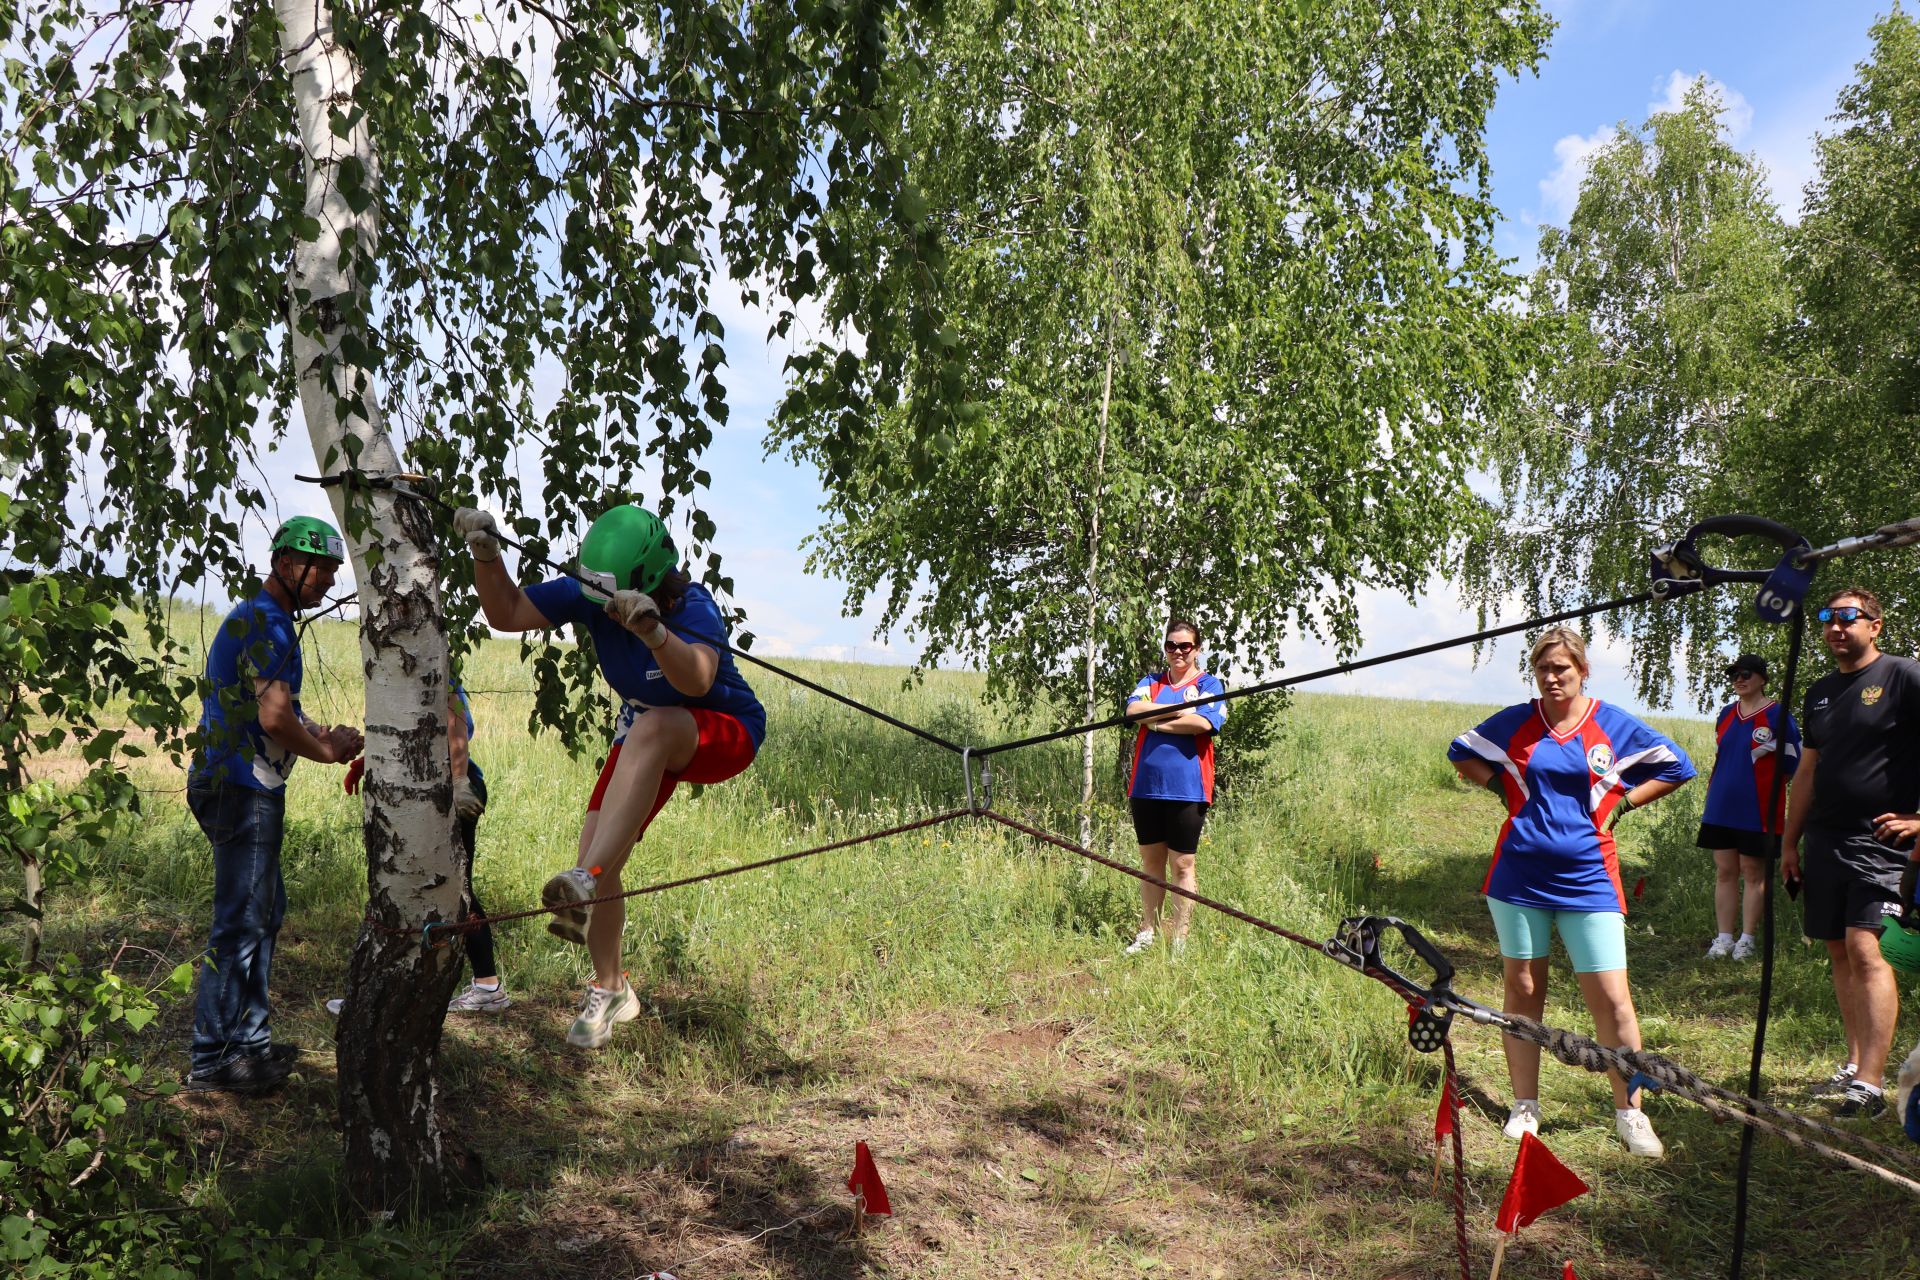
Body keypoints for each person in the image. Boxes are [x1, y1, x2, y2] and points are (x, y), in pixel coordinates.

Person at [454, 502, 765, 1049]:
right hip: (650, 732)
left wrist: (654, 634)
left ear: (647, 579)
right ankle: (612, 987)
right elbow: (506, 612)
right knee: (596, 846)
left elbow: (697, 680)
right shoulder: (592, 594)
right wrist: (486, 555)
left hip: (722, 732)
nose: (605, 611)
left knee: (645, 740)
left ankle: (587, 878)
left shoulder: (694, 607)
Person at [1447, 626, 1694, 1158]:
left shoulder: (1611, 723)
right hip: (1516, 877)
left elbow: (1678, 766)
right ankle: (1524, 1105)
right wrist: (1502, 789)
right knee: (1523, 987)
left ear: (1583, 670)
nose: (1552, 677)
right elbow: (1460, 750)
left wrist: (1622, 805)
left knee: (1611, 998)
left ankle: (1631, 1113)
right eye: (1543, 669)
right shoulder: (1518, 722)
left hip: (1590, 878)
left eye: (1562, 668)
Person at [185, 517, 363, 1094]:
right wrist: (324, 753)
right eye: (321, 568)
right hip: (241, 788)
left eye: (335, 570)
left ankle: (249, 1044)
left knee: (264, 911)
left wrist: (323, 735)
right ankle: (214, 1059)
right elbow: (274, 718)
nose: (329, 580)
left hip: (238, 783)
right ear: (287, 563)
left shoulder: (266, 621)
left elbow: (287, 707)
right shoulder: (268, 624)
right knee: (240, 921)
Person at [1781, 587, 1920, 1119]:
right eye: (1827, 618)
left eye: (1848, 617)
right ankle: (1856, 1063)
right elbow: (1808, 772)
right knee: (1839, 951)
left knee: (1867, 950)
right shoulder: (1819, 694)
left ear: (1875, 625)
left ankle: (1872, 1084)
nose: (1836, 627)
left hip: (1883, 843)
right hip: (1826, 842)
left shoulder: (1903, 676)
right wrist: (1791, 843)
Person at [332, 685, 504, 1014]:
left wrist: (457, 784)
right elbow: (406, 737)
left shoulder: (437, 667)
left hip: (447, 794)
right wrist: (370, 764)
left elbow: (455, 730)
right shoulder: (405, 662)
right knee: (428, 886)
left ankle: (482, 986)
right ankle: (401, 987)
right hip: (424, 791)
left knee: (454, 889)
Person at [1120, 619, 1226, 956]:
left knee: (1182, 865)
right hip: (1146, 787)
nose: (1178, 652)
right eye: (1171, 645)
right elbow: (1133, 709)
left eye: (1185, 646)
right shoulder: (1151, 682)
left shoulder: (1210, 683)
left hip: (1188, 789)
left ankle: (1179, 939)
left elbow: (1203, 722)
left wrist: (1154, 721)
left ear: (1197, 648)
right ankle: (1147, 931)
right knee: (1151, 862)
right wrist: (1174, 714)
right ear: (1164, 648)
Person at [1696, 653, 1800, 960]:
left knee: (1753, 873)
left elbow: (1795, 761)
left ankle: (1747, 940)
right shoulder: (1727, 713)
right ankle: (1724, 938)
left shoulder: (1778, 716)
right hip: (1720, 807)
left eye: (1746, 674)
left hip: (1758, 811)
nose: (1739, 679)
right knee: (1725, 872)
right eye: (1735, 675)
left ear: (1762, 679)